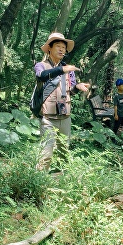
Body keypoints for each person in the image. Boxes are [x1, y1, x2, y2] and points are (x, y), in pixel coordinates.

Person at [34, 32, 90, 171]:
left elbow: (71, 89)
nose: (61, 49)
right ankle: (39, 183)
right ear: (49, 48)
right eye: (58, 46)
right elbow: (41, 77)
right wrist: (61, 69)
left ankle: (61, 183)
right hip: (48, 118)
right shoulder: (41, 65)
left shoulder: (69, 70)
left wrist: (78, 87)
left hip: (65, 117)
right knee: (46, 154)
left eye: (63, 48)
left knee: (64, 153)